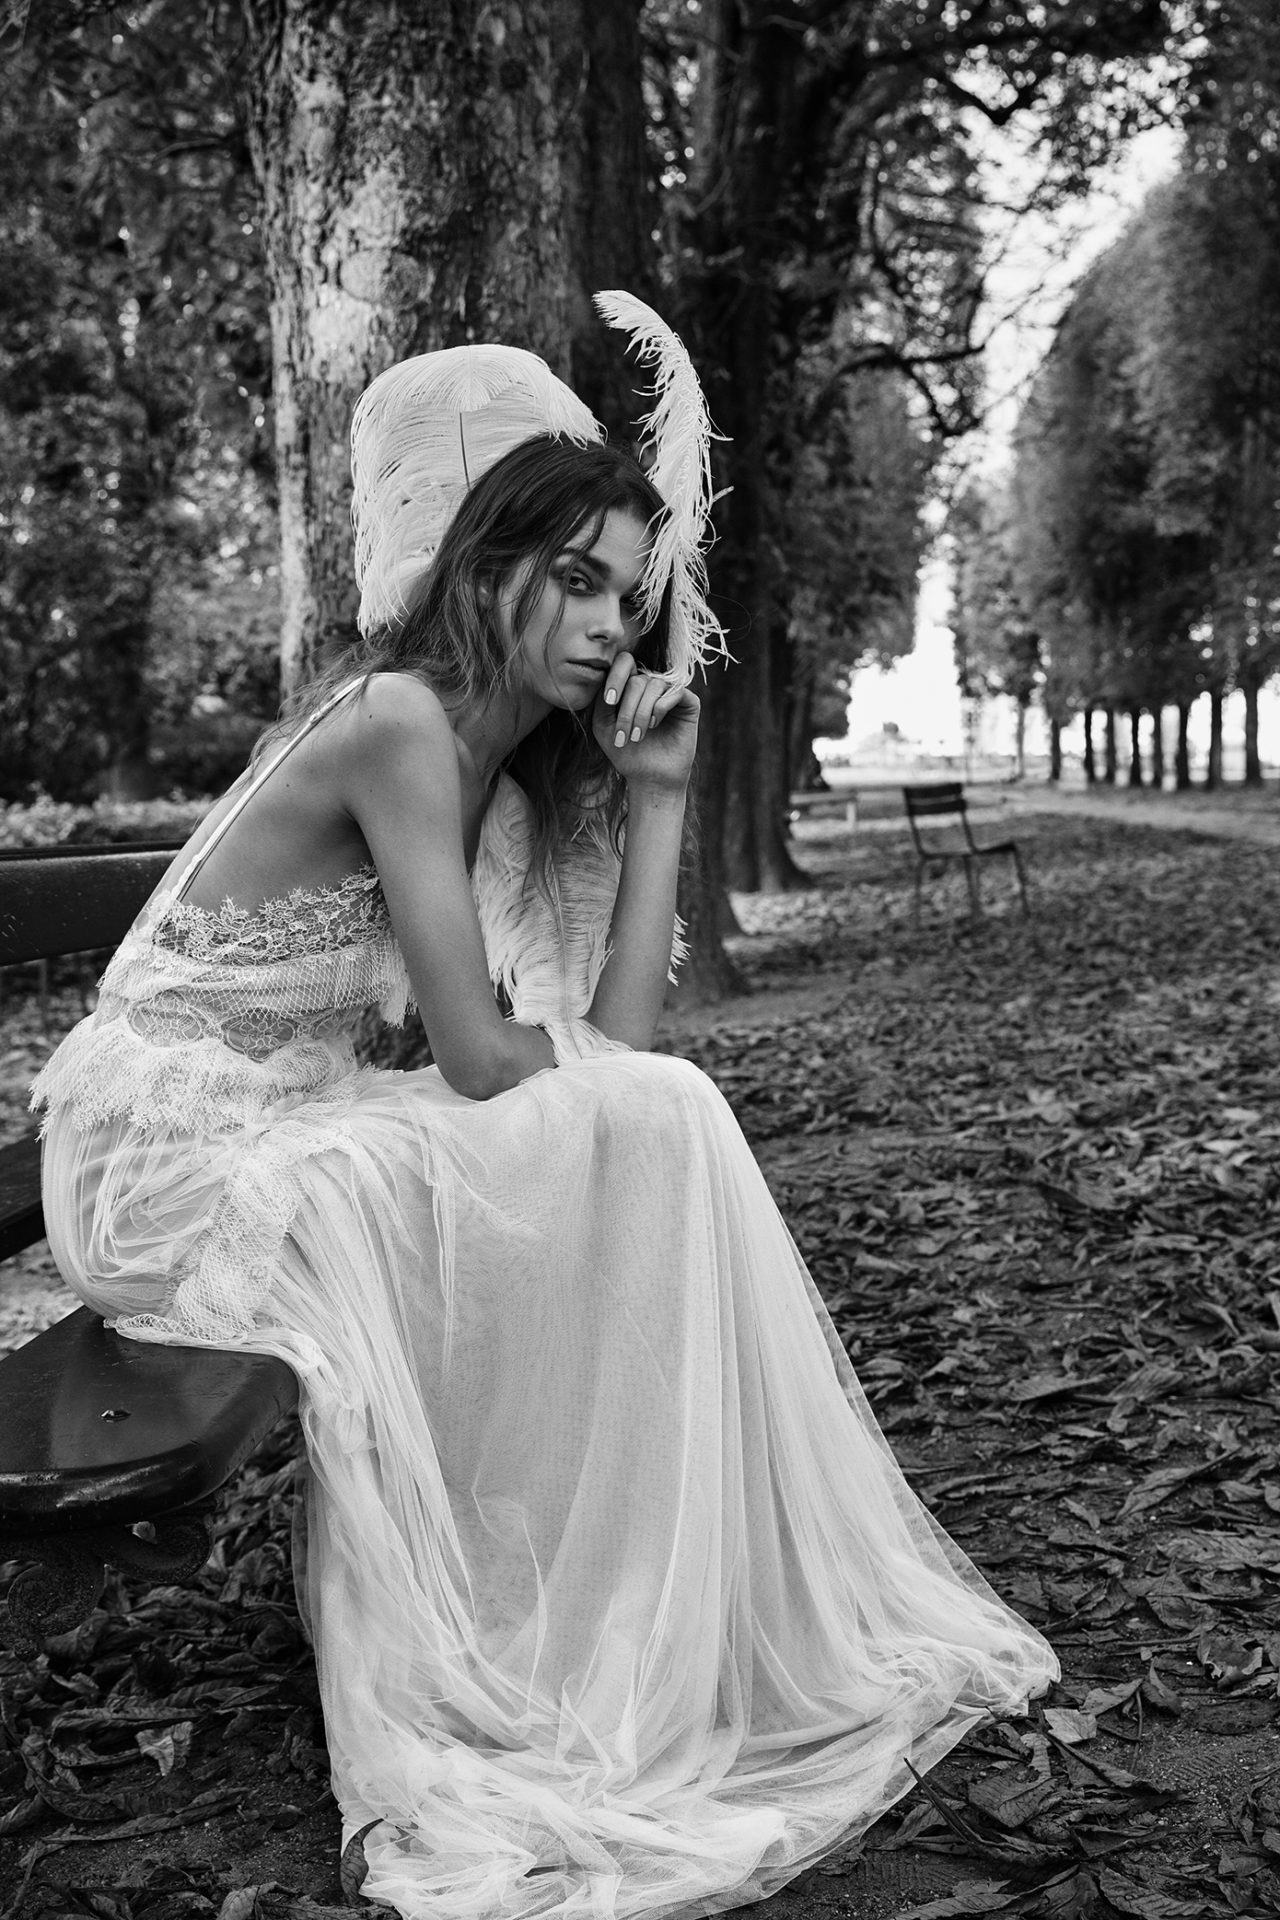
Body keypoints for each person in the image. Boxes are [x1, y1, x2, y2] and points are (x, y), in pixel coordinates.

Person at [32, 295, 1056, 1920]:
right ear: (478, 565)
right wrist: (602, 1097)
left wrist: (661, 796)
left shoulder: (498, 779)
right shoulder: (396, 722)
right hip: (164, 1154)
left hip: (283, 1127)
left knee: (653, 1118)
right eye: (571, 579)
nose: (603, 626)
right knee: (643, 1128)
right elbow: (484, 1053)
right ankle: (553, 1624)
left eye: (626, 596)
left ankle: (612, 1608)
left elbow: (620, 1037)